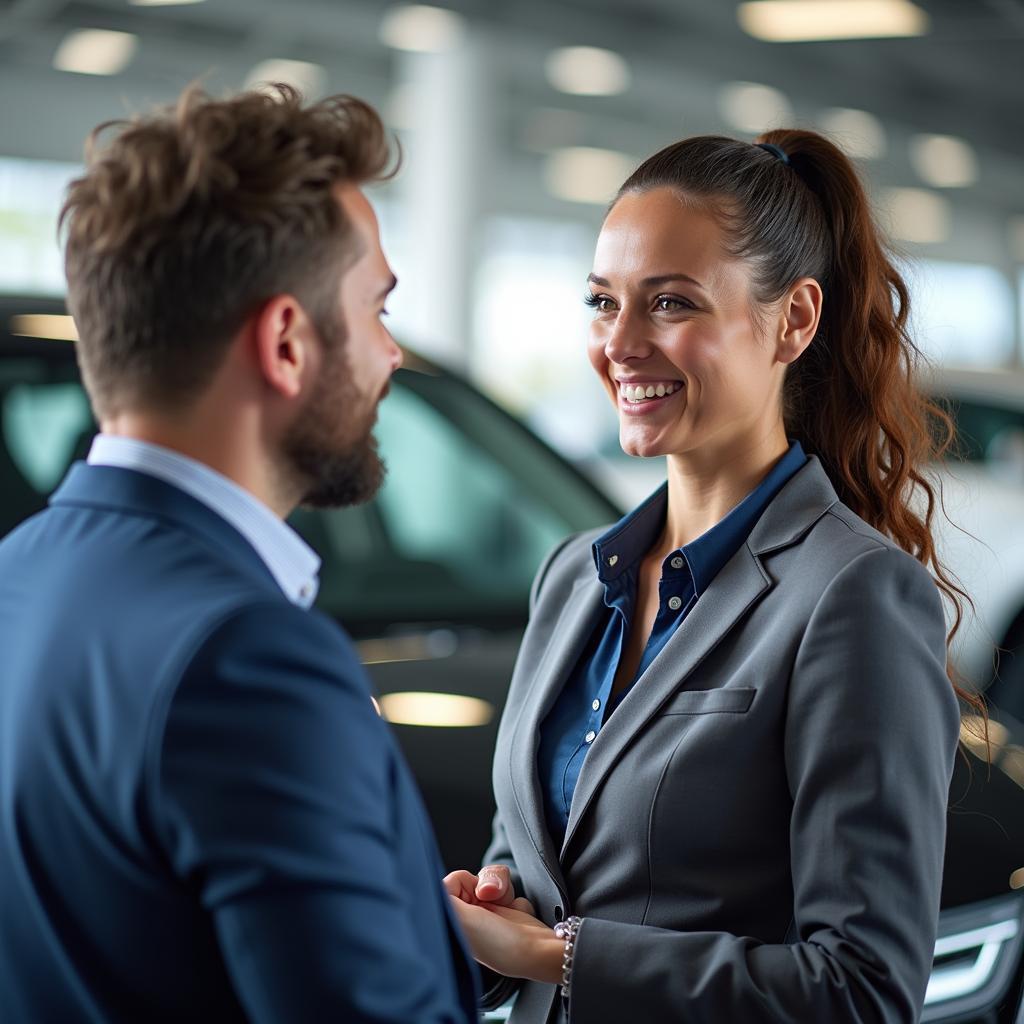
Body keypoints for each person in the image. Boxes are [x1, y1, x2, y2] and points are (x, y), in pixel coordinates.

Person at [444, 130, 973, 1023]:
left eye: (672, 304)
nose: (621, 343)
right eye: (602, 302)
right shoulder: (573, 578)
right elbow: (539, 862)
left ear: (794, 321)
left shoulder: (855, 598)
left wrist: (560, 955)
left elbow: (863, 990)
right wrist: (494, 912)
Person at [0, 85, 479, 1023]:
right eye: (377, 309)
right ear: (287, 342)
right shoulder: (249, 658)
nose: (389, 354)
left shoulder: (17, 578)